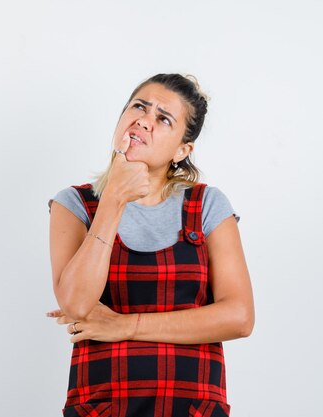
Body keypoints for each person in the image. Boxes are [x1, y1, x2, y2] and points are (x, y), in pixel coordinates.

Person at [46, 73, 255, 417]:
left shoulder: (207, 206)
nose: (144, 120)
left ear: (182, 150)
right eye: (139, 107)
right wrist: (113, 197)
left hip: (192, 409)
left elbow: (239, 317)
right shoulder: (75, 204)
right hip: (101, 408)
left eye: (163, 118)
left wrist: (124, 325)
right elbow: (77, 302)